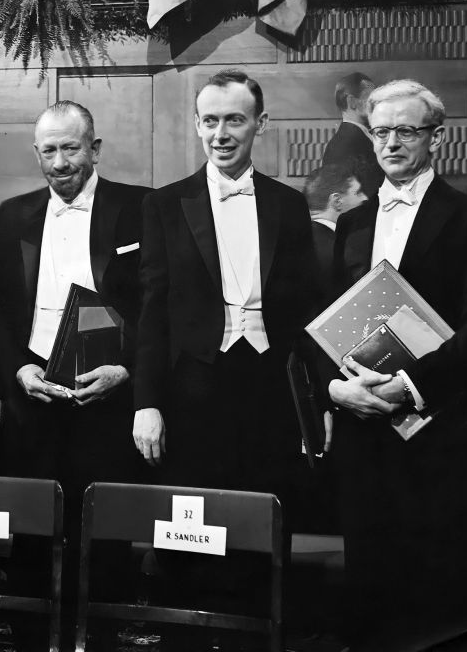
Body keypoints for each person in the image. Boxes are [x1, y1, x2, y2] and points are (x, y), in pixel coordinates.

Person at [130, 70, 317, 645]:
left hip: (269, 387)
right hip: (192, 388)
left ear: (261, 123)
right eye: (209, 120)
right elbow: (151, 313)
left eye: (234, 119)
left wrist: (314, 404)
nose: (221, 133)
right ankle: (186, 635)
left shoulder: (289, 205)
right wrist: (146, 404)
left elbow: (306, 312)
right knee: (190, 527)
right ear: (196, 125)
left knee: (263, 524)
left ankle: (255, 638)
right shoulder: (165, 204)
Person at [0, 100, 149, 649]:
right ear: (36, 153)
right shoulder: (11, 214)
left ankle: (99, 634)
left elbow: (157, 305)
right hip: (34, 392)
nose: (59, 163)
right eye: (49, 150)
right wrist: (18, 369)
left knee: (104, 527)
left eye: (71, 148)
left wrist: (125, 370)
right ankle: (30, 633)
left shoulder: (139, 209)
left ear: (94, 149)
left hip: (107, 392)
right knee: (31, 523)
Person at [327, 80, 467, 646]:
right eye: (381, 131)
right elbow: (325, 323)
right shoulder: (353, 222)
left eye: (406, 131)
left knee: (435, 602)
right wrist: (334, 390)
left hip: (440, 427)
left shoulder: (465, 216)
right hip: (362, 426)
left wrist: (409, 385)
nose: (391, 143)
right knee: (369, 586)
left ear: (436, 137)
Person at [303, 163, 367, 295]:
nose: (365, 198)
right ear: (337, 201)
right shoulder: (347, 252)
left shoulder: (287, 243)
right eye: (358, 192)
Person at [322, 72, 380, 200]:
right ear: (352, 101)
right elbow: (344, 198)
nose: (377, 105)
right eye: (371, 100)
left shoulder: (360, 137)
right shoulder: (343, 145)